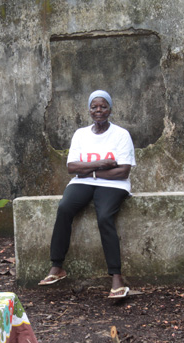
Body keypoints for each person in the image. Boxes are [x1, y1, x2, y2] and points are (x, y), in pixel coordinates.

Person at [38, 90, 136, 298]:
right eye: (94, 107)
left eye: (103, 106)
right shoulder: (81, 134)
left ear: (110, 109)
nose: (98, 110)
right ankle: (57, 267)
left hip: (114, 186)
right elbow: (72, 168)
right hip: (82, 182)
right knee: (64, 208)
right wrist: (100, 164)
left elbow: (123, 171)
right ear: (89, 110)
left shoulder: (121, 135)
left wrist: (88, 169)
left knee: (105, 217)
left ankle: (117, 278)